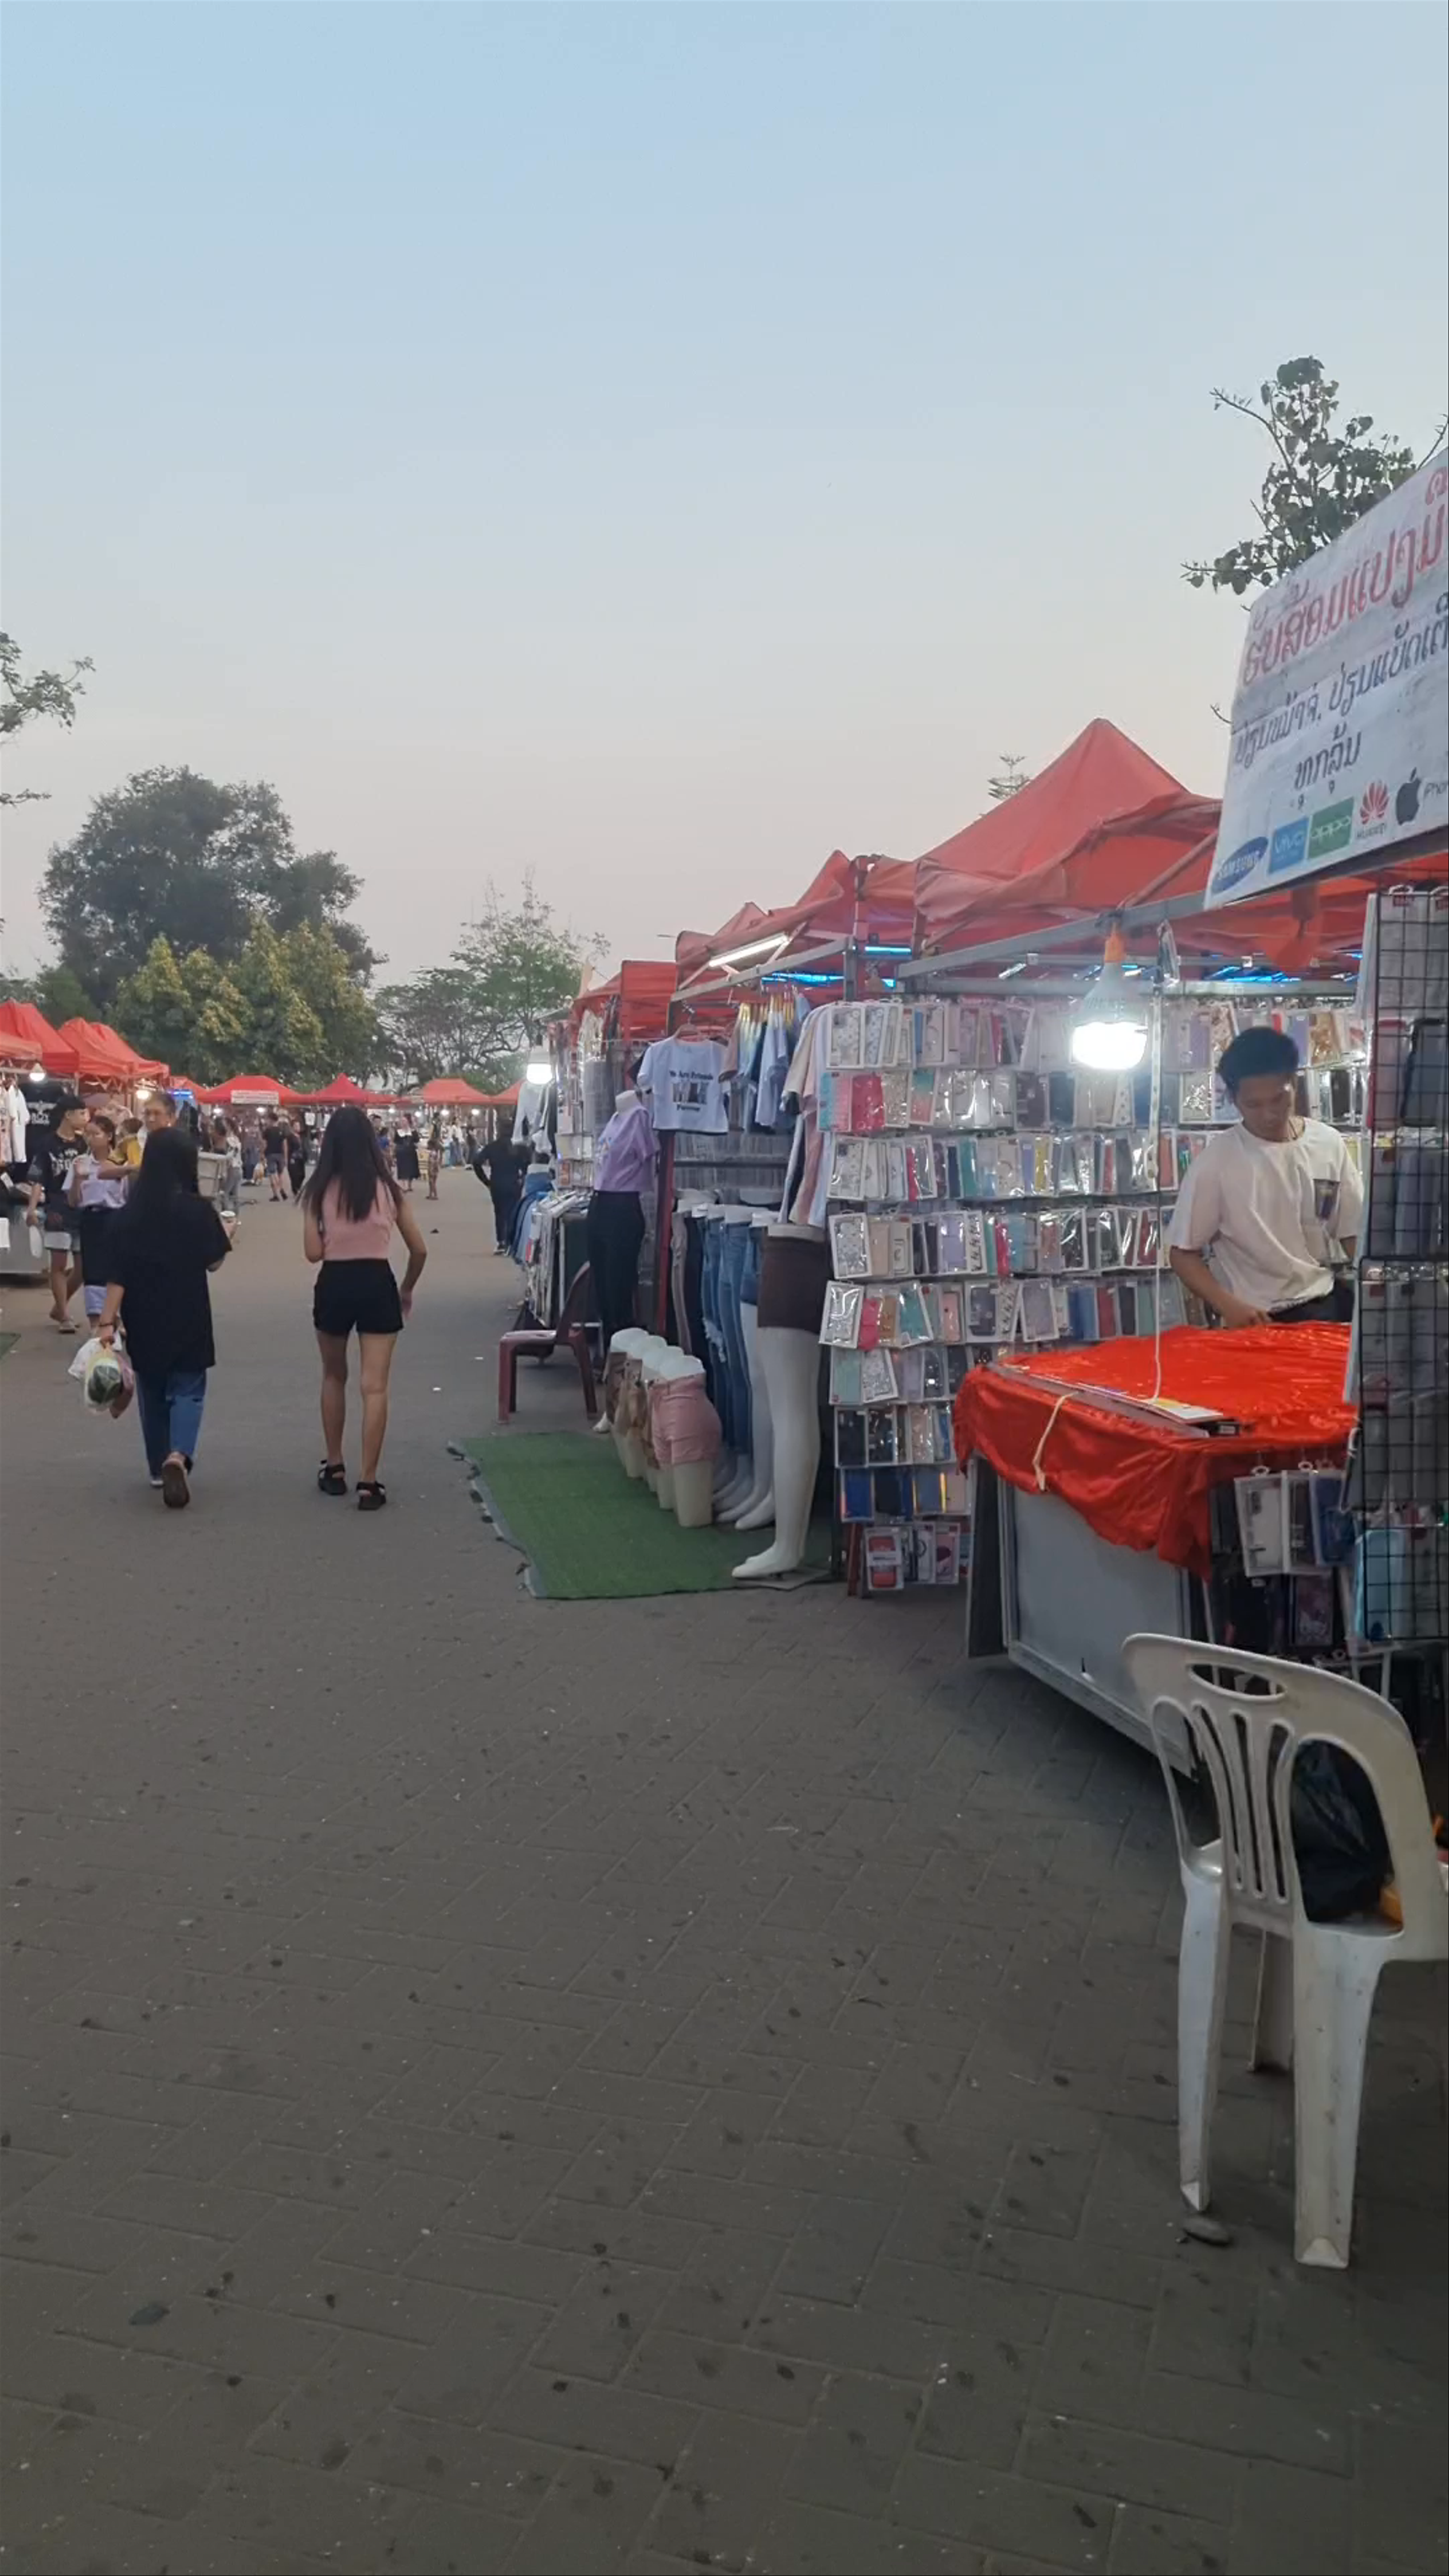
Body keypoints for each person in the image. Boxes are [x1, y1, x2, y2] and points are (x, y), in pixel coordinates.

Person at [1167, 1026, 1363, 1327]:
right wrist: (1227, 1305)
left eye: (1278, 1099)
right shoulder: (1216, 1164)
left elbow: (1352, 1231)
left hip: (1326, 1302)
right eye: (1254, 1105)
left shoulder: (1328, 1143)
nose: (1269, 1114)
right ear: (1234, 1099)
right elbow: (1182, 1253)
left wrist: (1376, 1287)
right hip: (1259, 1318)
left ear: (1294, 1084)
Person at [96, 1126, 231, 1507]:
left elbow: (118, 1275)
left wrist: (107, 1322)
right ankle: (179, 1455)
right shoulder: (198, 1210)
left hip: (143, 1316)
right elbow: (214, 1262)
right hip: (189, 1311)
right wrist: (228, 1234)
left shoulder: (128, 1217)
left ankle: (158, 1467)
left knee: (152, 1390)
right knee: (189, 1389)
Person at [301, 1104, 426, 1510]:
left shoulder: (318, 1191)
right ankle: (369, 1482)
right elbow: (420, 1249)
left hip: (335, 1283)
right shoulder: (389, 1190)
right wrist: (406, 1288)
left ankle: (335, 1466)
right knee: (375, 1386)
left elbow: (312, 1252)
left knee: (333, 1375)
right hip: (377, 1282)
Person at [25, 1095, 87, 1329]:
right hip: (57, 1210)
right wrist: (32, 1208)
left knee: (84, 1268)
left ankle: (59, 1308)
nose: (85, 1117)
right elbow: (38, 1179)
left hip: (82, 1209)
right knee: (59, 1264)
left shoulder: (84, 1144)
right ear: (68, 1115)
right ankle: (64, 1315)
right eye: (81, 1113)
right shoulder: (47, 1144)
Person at [69, 1111, 132, 1324]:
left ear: (109, 1137)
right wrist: (78, 1179)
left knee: (116, 1268)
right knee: (93, 1270)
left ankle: (117, 1317)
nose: (90, 1138)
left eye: (96, 1134)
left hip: (116, 1218)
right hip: (91, 1219)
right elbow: (73, 1201)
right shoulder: (81, 1162)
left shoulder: (122, 1163)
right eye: (87, 1134)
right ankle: (96, 1321)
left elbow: (128, 1196)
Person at [472, 1130, 528, 1254]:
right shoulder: (518, 1148)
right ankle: (511, 1242)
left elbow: (476, 1162)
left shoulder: (492, 1147)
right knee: (513, 1212)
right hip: (514, 1183)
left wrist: (486, 1181)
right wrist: (523, 1176)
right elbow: (527, 1163)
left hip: (497, 1184)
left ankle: (502, 1242)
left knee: (500, 1213)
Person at [261, 1114, 288, 1200]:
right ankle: (282, 1189)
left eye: (268, 1120)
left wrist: (262, 1153)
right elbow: (285, 1145)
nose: (267, 1122)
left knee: (272, 1174)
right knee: (281, 1174)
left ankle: (276, 1195)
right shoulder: (282, 1131)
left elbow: (265, 1145)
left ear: (271, 1120)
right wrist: (286, 1157)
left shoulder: (267, 1131)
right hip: (281, 1155)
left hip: (270, 1155)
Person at [394, 1117, 420, 1193]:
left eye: (405, 1121)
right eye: (402, 1121)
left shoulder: (413, 1132)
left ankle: (410, 1185)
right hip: (401, 1153)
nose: (403, 1123)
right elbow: (396, 1143)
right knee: (403, 1169)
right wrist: (395, 1153)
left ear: (408, 1122)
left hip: (411, 1153)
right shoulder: (398, 1132)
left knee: (411, 1169)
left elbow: (417, 1141)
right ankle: (404, 1186)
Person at [286, 1122, 308, 1203]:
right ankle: (295, 1190)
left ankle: (298, 1187)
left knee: (302, 1175)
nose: (298, 1127)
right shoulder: (290, 1137)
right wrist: (288, 1158)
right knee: (294, 1175)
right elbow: (287, 1148)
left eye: (299, 1126)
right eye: (296, 1126)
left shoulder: (301, 1137)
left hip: (301, 1158)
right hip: (293, 1158)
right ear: (293, 1127)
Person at [425, 1117, 444, 1200]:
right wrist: (440, 1161)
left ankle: (435, 1194)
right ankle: (431, 1194)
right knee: (434, 1180)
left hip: (432, 1165)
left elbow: (428, 1147)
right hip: (436, 1164)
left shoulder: (432, 1146)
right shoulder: (438, 1145)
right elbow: (442, 1150)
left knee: (431, 1180)